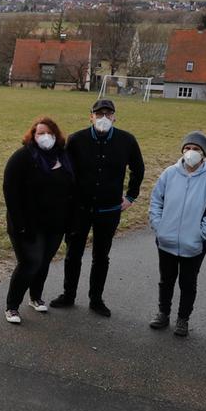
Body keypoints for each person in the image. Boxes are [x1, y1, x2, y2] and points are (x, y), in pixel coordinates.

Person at [52, 98, 145, 316]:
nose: (104, 118)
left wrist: (131, 196)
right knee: (73, 254)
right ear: (91, 116)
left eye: (108, 114)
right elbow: (64, 169)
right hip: (80, 209)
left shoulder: (127, 140)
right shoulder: (76, 139)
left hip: (109, 211)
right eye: (99, 114)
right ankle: (69, 294)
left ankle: (96, 299)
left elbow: (138, 169)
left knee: (101, 256)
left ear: (114, 117)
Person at [146, 131, 206, 336]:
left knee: (188, 283)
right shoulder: (169, 173)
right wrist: (158, 225)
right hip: (166, 239)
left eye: (196, 149)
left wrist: (202, 233)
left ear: (204, 153)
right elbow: (156, 200)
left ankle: (183, 319)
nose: (191, 153)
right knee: (166, 280)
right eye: (187, 148)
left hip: (194, 243)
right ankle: (163, 313)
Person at [3, 116, 75, 324]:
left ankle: (35, 297)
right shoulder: (23, 157)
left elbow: (71, 187)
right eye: (40, 133)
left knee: (43, 261)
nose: (45, 137)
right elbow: (10, 191)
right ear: (33, 136)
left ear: (56, 135)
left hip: (54, 222)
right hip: (26, 223)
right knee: (30, 262)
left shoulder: (63, 157)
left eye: (49, 133)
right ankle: (12, 306)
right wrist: (19, 223)